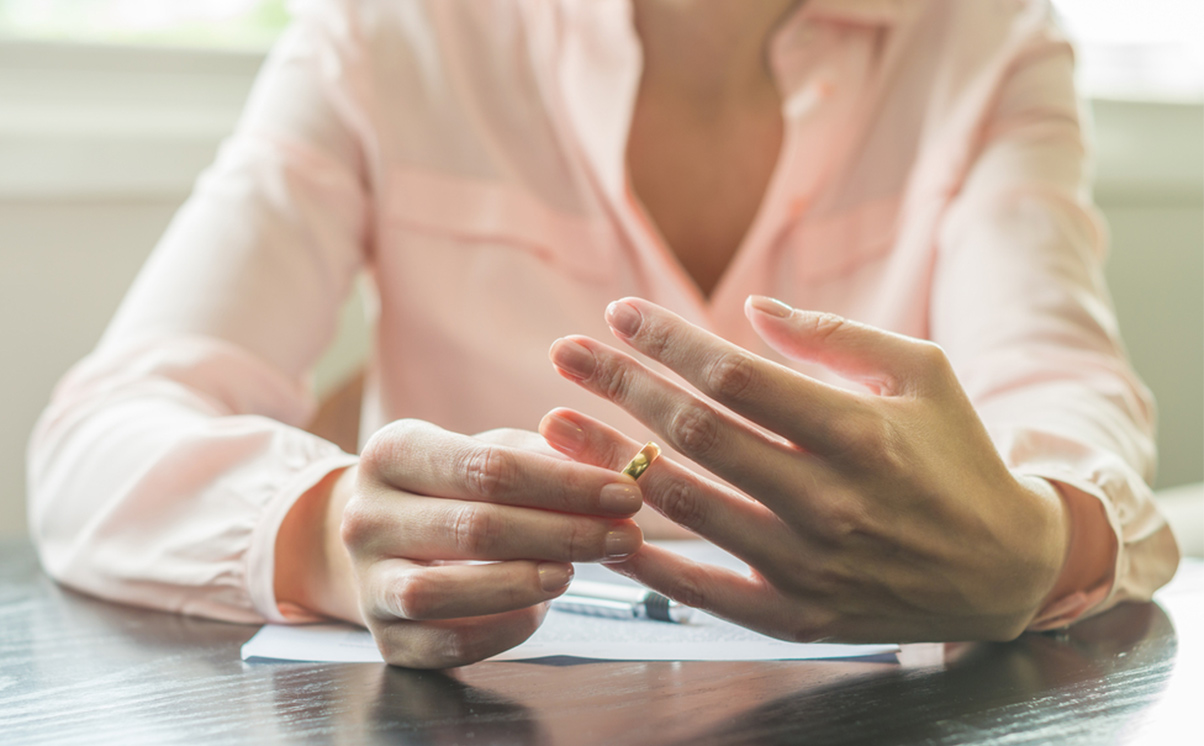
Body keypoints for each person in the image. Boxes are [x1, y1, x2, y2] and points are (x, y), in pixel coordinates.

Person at [27, 0, 1179, 669]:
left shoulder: (985, 43)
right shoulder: (391, 32)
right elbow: (97, 439)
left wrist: (1040, 539)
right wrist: (333, 533)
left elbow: (1064, 397)